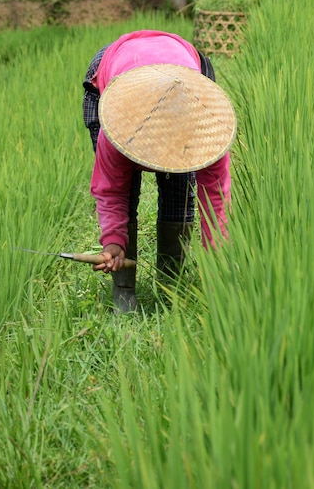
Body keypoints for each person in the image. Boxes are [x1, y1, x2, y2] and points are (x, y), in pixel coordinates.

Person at [83, 30, 236, 312]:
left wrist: (218, 268)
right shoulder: (116, 124)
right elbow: (111, 189)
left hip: (182, 68)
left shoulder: (206, 127)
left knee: (179, 186)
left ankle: (170, 283)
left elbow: (215, 202)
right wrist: (113, 242)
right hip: (115, 66)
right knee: (125, 192)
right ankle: (124, 288)